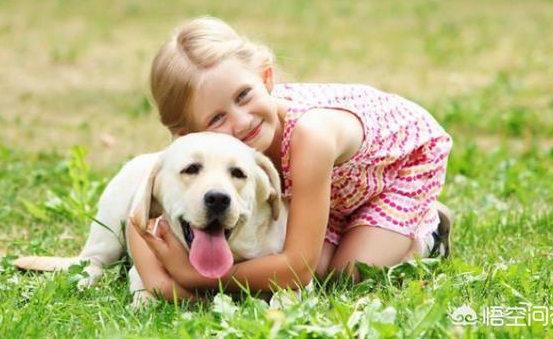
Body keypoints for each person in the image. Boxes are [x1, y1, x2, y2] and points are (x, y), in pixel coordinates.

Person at [128, 16, 453, 301]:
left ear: (266, 79)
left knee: (345, 275)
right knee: (305, 257)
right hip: (326, 188)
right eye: (216, 119)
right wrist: (157, 282)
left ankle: (428, 230)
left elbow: (297, 269)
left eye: (244, 95)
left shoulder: (312, 137)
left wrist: (193, 277)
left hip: (396, 168)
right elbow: (139, 218)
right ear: (188, 136)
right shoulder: (197, 158)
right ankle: (349, 228)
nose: (241, 122)